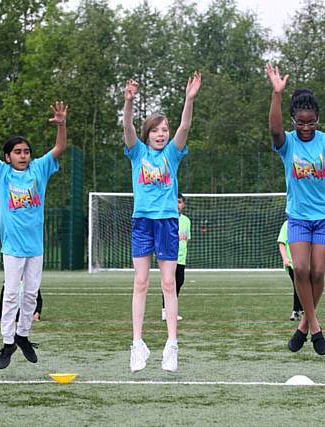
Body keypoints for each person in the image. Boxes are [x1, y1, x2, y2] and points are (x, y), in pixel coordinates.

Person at [266, 64, 325, 355]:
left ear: (318, 120)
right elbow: (274, 128)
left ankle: (303, 325)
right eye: (300, 123)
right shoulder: (287, 144)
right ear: (294, 120)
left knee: (318, 272)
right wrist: (276, 94)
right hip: (298, 217)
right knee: (302, 268)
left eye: (311, 122)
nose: (306, 128)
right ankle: (316, 327)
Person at [0, 95, 67, 369]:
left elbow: (60, 147)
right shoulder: (2, 174)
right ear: (8, 156)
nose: (23, 155)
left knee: (31, 294)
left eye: (26, 151)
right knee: (12, 295)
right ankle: (7, 342)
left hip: (35, 247)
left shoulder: (39, 169)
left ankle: (23, 335)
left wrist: (61, 124)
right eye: (17, 152)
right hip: (12, 248)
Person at [123, 73, 201, 373]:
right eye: (155, 130)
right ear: (147, 134)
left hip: (168, 222)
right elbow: (128, 126)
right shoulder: (137, 153)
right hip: (142, 222)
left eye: (164, 130)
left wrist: (189, 99)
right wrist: (128, 100)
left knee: (169, 283)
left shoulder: (172, 153)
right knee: (140, 283)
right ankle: (137, 344)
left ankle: (171, 345)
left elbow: (185, 126)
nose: (161, 134)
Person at [161, 193, 191, 321]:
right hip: (169, 258)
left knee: (179, 282)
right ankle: (165, 311)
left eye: (179, 202)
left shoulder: (186, 221)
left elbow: (186, 239)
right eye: (175, 202)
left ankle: (171, 310)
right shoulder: (166, 220)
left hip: (181, 259)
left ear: (183, 204)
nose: (177, 205)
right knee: (168, 283)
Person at [277, 220, 303, 321]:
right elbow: (282, 243)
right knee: (297, 286)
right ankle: (297, 311)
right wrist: (285, 258)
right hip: (292, 263)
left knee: (304, 286)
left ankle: (301, 310)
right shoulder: (287, 224)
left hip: (305, 262)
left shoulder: (306, 222)